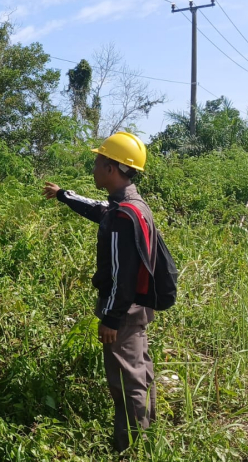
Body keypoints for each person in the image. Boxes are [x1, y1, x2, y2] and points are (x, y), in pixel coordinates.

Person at [42, 131, 157, 453]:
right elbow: (98, 210)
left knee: (127, 382)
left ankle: (131, 450)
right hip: (136, 311)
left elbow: (124, 276)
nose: (93, 168)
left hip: (124, 314)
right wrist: (64, 194)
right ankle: (147, 441)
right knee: (140, 373)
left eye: (97, 162)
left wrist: (111, 318)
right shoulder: (130, 206)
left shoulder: (124, 216)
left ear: (112, 167)